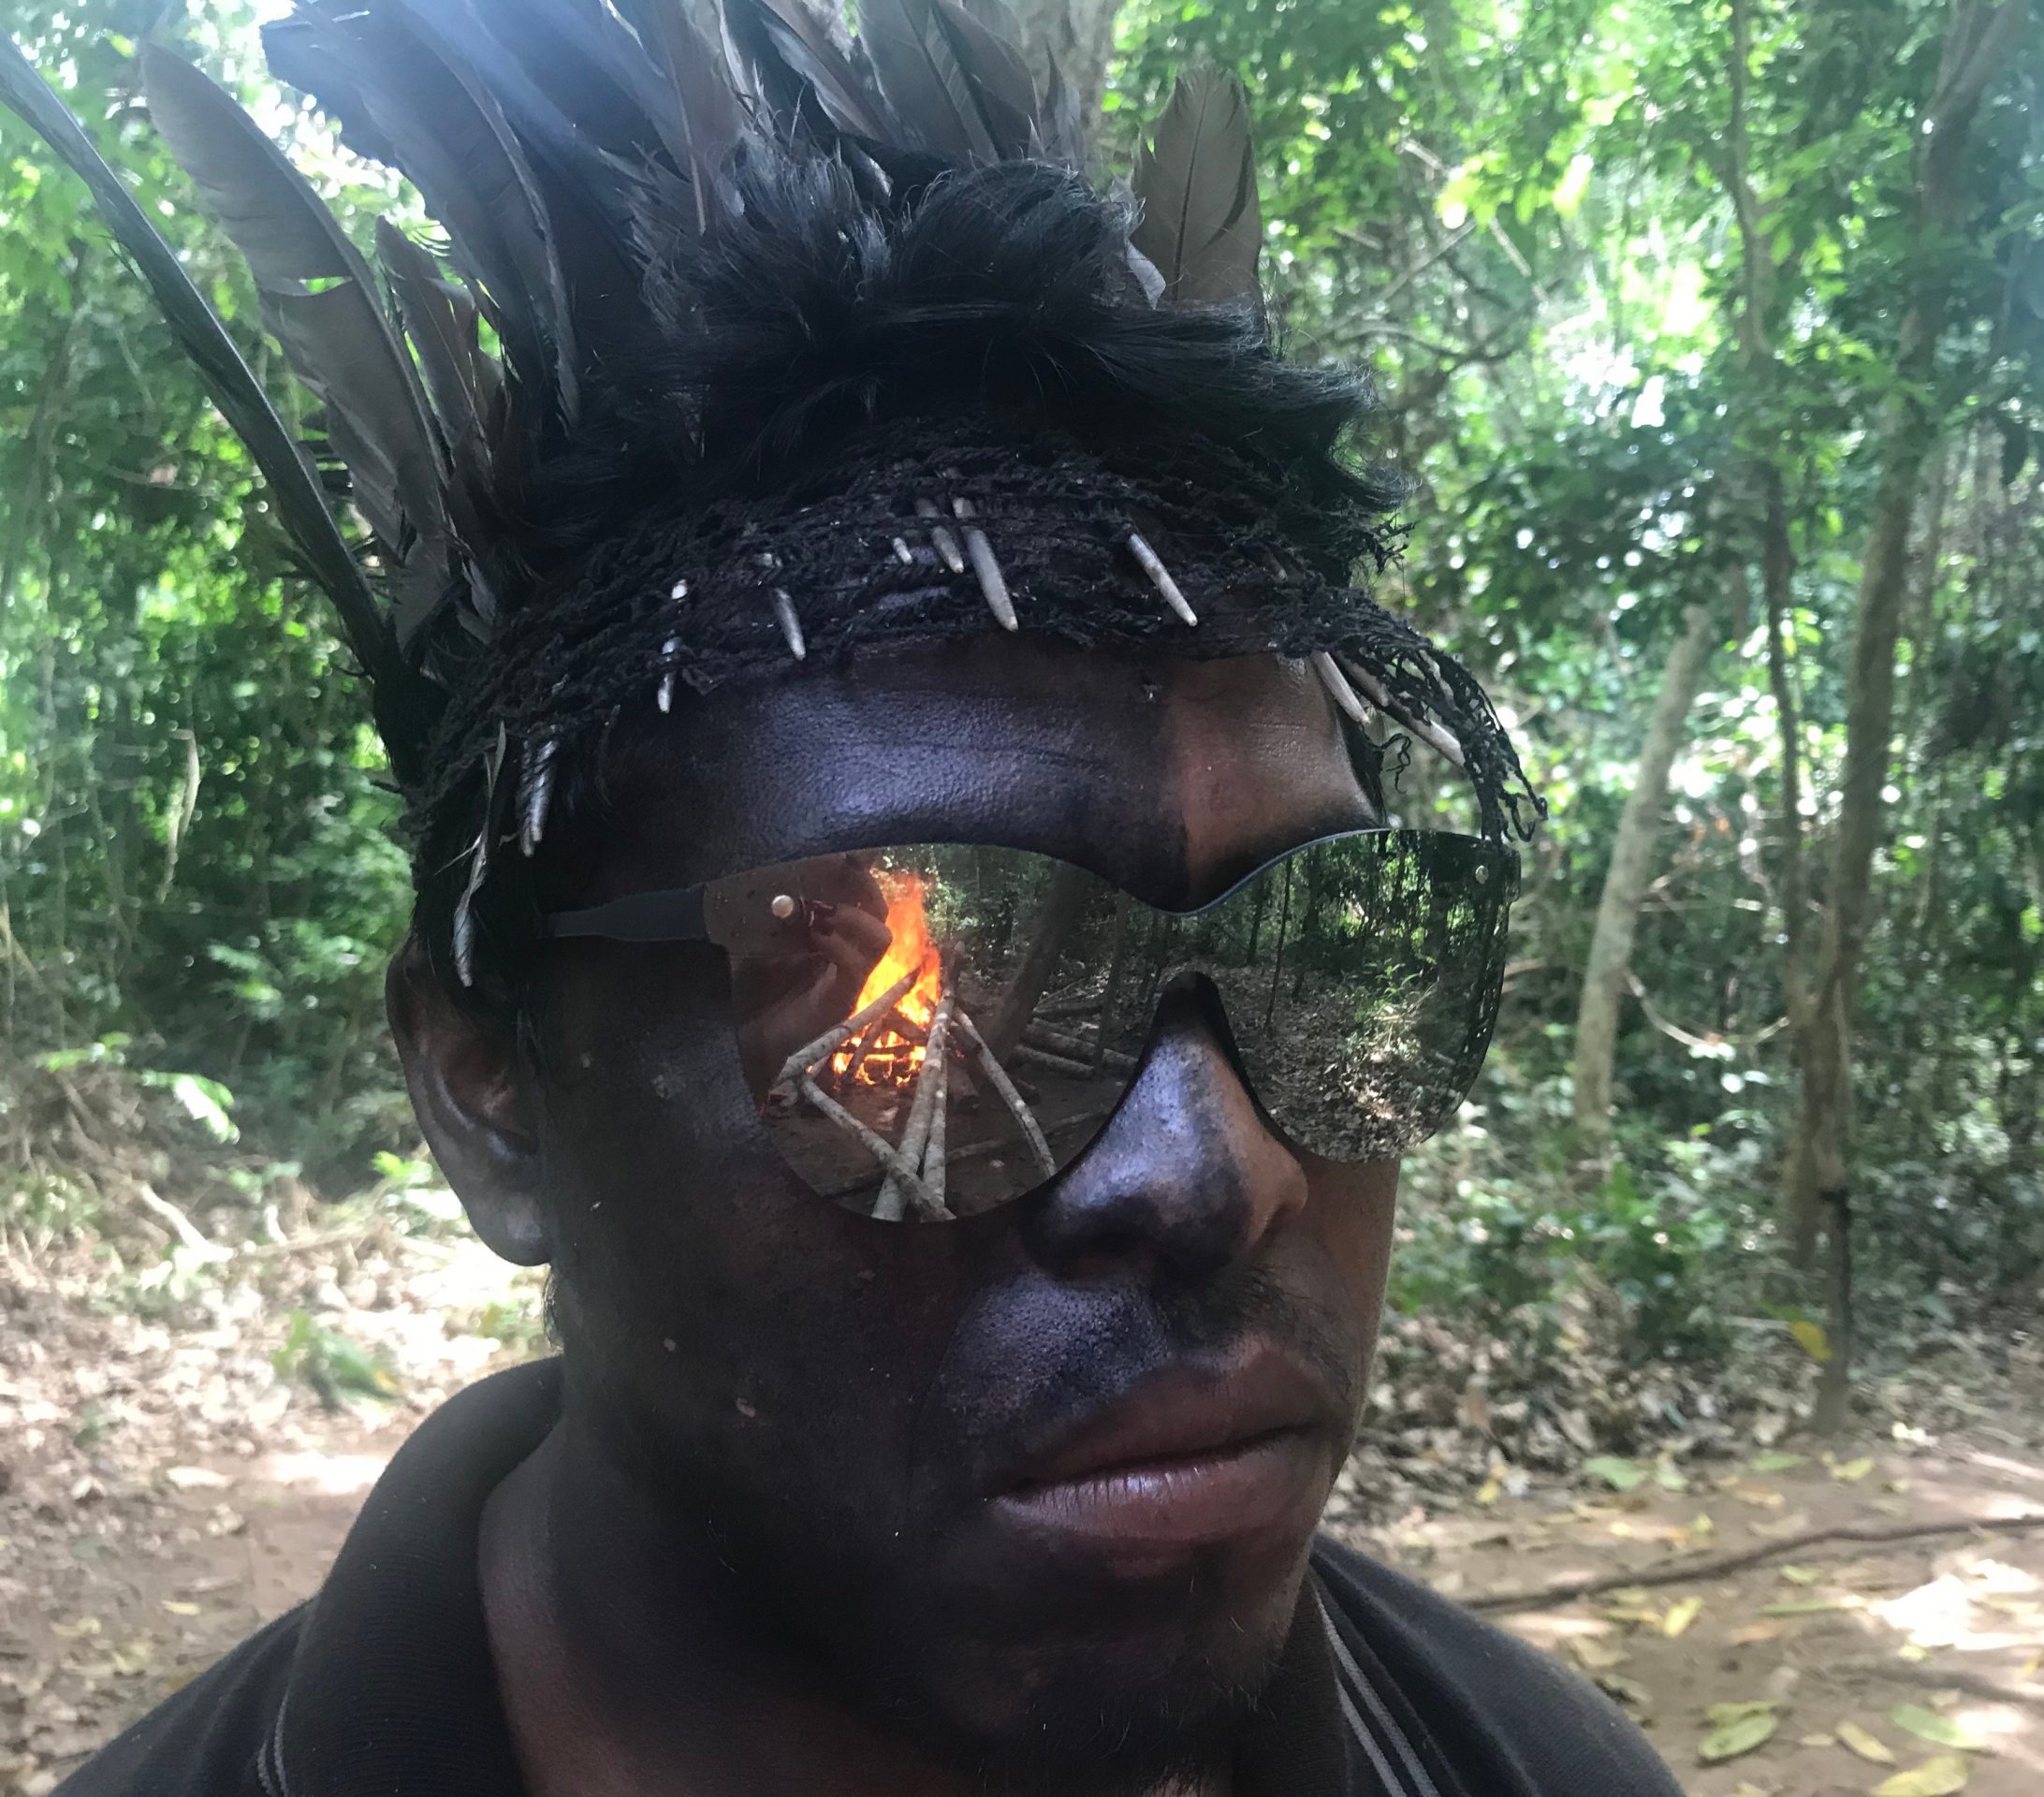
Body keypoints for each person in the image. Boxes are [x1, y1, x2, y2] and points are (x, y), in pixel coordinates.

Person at [22, 3, 1686, 1791]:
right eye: (919, 989)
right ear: (488, 1087)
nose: (1220, 1174)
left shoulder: (1528, 1764)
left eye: (1336, 948)